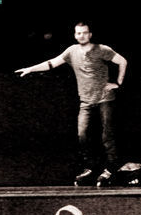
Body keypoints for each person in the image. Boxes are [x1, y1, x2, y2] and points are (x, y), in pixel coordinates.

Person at [16, 21, 127, 185]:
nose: (81, 35)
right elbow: (52, 63)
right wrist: (30, 69)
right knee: (82, 134)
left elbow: (122, 61)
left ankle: (111, 168)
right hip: (86, 100)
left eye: (84, 32)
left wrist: (118, 83)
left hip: (104, 98)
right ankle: (90, 167)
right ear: (75, 35)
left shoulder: (102, 49)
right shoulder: (71, 51)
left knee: (106, 136)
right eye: (78, 33)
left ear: (90, 34)